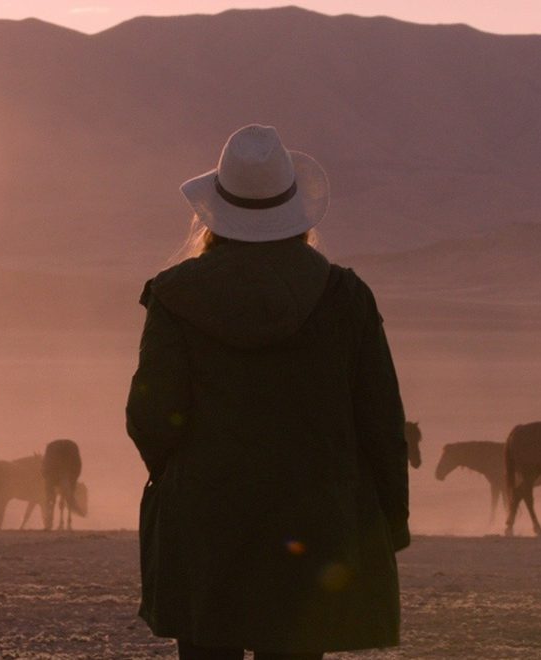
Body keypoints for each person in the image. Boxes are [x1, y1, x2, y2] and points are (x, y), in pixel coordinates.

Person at [126, 124, 409, 660]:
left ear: (214, 215)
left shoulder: (176, 297)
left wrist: (183, 476)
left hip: (205, 528)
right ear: (294, 212)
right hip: (313, 527)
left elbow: (152, 416)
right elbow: (382, 423)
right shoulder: (346, 298)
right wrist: (388, 524)